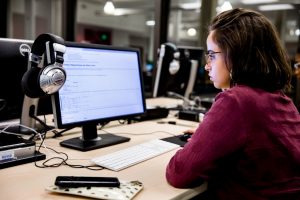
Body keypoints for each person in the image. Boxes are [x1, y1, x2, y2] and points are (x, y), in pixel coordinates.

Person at [166, 8, 300, 200]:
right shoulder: (281, 99)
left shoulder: (236, 100)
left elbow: (179, 173)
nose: (207, 65)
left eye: (212, 55)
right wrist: (210, 136)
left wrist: (195, 148)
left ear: (236, 56)